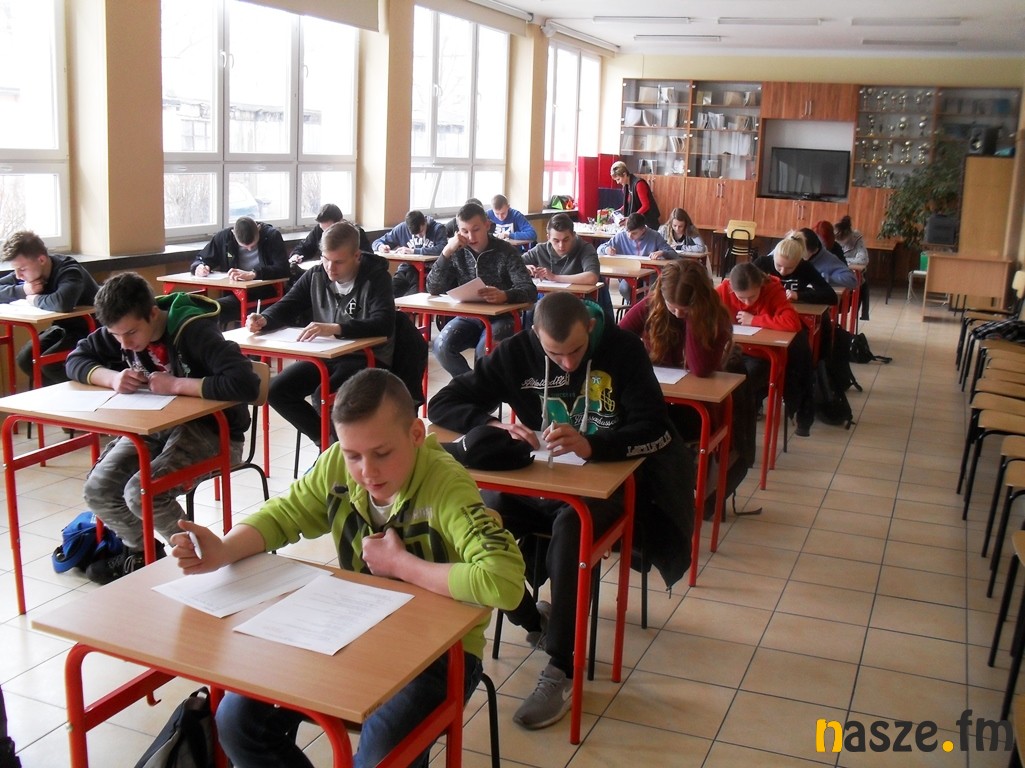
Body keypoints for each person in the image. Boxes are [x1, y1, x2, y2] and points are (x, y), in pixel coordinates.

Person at [169, 368, 525, 768]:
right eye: (353, 455)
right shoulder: (336, 466)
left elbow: (504, 581)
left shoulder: (447, 485)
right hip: (353, 630)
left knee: (381, 755)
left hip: (443, 654)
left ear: (415, 434)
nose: (367, 471)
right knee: (237, 720)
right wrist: (223, 550)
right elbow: (285, 514)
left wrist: (402, 565)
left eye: (382, 453)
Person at [429, 291, 694, 730]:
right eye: (556, 354)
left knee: (573, 527)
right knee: (477, 511)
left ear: (589, 327)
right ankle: (531, 617)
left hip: (608, 486)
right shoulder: (517, 352)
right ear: (536, 335)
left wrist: (593, 445)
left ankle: (561, 666)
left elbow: (654, 428)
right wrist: (495, 425)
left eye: (576, 350)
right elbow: (443, 404)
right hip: (540, 479)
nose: (568, 364)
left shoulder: (623, 350)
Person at [65, 272, 260, 583]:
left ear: (153, 313)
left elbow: (246, 383)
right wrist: (112, 378)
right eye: (116, 336)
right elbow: (76, 359)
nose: (124, 343)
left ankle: (202, 557)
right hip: (155, 426)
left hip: (213, 431)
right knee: (98, 489)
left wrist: (177, 384)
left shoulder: (194, 330)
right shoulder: (123, 327)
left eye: (130, 333)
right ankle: (142, 553)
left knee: (142, 492)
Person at [619, 260, 756, 516]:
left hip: (696, 409)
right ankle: (643, 496)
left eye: (685, 309)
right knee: (630, 423)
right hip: (659, 400)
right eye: (672, 306)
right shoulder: (653, 305)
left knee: (654, 431)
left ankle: (671, 492)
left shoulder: (714, 317)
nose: (677, 313)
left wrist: (695, 316)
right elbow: (620, 338)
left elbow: (700, 367)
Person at [246, 222, 395, 451]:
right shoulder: (316, 275)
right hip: (327, 355)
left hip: (366, 356)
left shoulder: (376, 278)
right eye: (325, 259)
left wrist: (336, 328)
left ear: (356, 256)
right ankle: (328, 446)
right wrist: (264, 319)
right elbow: (289, 304)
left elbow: (383, 323)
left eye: (338, 262)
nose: (330, 268)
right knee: (276, 390)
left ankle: (344, 450)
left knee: (322, 395)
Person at [424, 201, 535, 377]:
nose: (471, 237)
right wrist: (446, 252)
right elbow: (433, 287)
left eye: (476, 230)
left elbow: (529, 290)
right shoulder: (457, 251)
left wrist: (505, 295)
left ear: (487, 225)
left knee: (484, 352)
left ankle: (477, 388)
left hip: (501, 318)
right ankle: (473, 386)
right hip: (468, 316)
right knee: (441, 347)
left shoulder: (506, 251)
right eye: (464, 231)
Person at [717, 262, 815, 437]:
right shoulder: (723, 290)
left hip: (764, 356)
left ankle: (738, 434)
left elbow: (792, 322)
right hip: (736, 352)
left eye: (752, 296)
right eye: (741, 298)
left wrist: (754, 320)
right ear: (732, 288)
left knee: (742, 384)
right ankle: (726, 429)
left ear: (761, 286)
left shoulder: (772, 289)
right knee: (721, 381)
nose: (747, 302)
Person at [0, 230, 99, 386]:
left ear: (41, 259)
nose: (18, 276)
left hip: (91, 329)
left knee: (50, 364)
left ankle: (80, 393)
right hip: (64, 328)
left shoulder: (69, 270)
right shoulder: (30, 273)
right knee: (25, 359)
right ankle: (52, 395)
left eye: (22, 269)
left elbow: (62, 303)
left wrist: (35, 299)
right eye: (15, 270)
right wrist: (23, 290)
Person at [190, 216, 290, 323]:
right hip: (235, 293)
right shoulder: (224, 237)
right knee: (203, 309)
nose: (249, 249)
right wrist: (199, 266)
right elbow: (201, 258)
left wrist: (254, 274)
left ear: (259, 228)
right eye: (244, 247)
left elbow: (283, 269)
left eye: (253, 245)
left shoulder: (272, 236)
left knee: (214, 309)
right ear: (233, 234)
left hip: (264, 293)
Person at [523, 212, 614, 321]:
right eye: (556, 241)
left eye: (566, 240)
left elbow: (592, 277)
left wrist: (554, 277)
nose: (561, 246)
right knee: (530, 314)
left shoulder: (585, 248)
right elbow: (513, 265)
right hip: (548, 301)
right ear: (548, 238)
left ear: (573, 235)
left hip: (578, 302)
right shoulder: (540, 250)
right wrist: (525, 268)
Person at [597, 213, 674, 304]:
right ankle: (634, 305)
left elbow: (673, 254)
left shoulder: (655, 236)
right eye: (627, 231)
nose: (629, 236)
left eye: (634, 233)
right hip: (629, 273)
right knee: (624, 289)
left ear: (643, 230)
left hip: (650, 273)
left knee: (654, 291)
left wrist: (662, 252)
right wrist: (607, 249)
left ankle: (646, 307)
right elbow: (600, 248)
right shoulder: (621, 236)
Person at [373, 210, 449, 297]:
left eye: (421, 232)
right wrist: (381, 246)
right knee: (387, 293)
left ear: (425, 222)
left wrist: (414, 251)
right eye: (415, 234)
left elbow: (443, 248)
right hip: (406, 269)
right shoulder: (401, 228)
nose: (419, 236)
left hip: (426, 271)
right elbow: (377, 242)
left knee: (412, 296)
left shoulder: (438, 229)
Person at [288, 204, 373, 278]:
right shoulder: (319, 230)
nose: (325, 233)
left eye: (329, 229)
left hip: (349, 275)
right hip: (325, 274)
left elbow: (368, 257)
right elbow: (305, 246)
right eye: (322, 229)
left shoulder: (355, 232)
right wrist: (296, 255)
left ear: (340, 222)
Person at [753, 232, 837, 306]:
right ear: (774, 257)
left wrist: (799, 295)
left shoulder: (805, 267)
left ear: (798, 262)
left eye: (790, 268)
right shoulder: (762, 263)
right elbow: (745, 285)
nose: (783, 271)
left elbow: (831, 296)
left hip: (794, 311)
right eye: (778, 265)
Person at [834, 215, 871, 321]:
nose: (841, 243)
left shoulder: (856, 237)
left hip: (852, 276)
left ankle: (858, 314)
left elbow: (863, 259)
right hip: (837, 275)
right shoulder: (832, 238)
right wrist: (849, 261)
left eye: (843, 240)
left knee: (862, 284)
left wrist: (843, 261)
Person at [609, 160, 661, 229]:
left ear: (624, 174)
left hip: (648, 222)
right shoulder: (626, 186)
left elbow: (646, 206)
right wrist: (619, 210)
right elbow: (629, 202)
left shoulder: (639, 184)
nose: (617, 182)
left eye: (618, 179)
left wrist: (631, 218)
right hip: (638, 221)